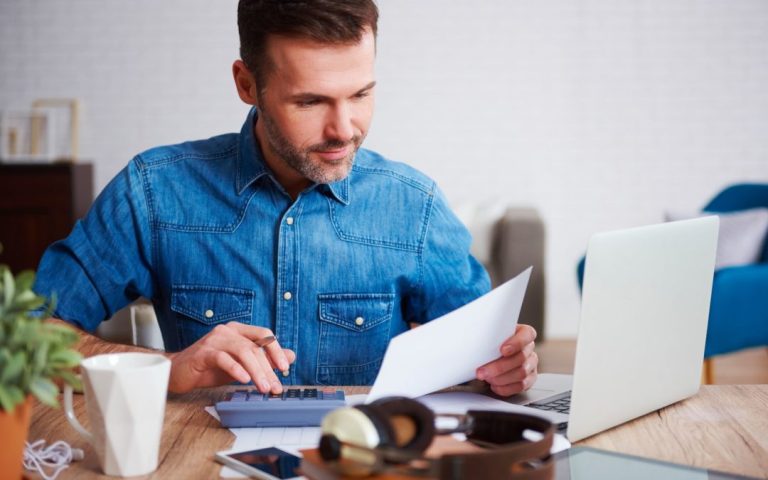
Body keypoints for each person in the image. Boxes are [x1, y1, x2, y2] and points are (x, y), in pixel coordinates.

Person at [34, 0, 539, 397]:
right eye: (310, 101)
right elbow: (22, 337)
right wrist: (170, 369)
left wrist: (509, 366)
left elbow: (483, 364)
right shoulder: (154, 192)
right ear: (246, 84)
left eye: (360, 94)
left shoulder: (416, 207)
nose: (344, 130)